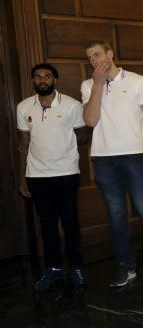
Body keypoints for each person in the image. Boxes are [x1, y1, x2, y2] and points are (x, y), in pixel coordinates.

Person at [82, 41, 143, 288]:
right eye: (90, 58)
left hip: (133, 155)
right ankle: (125, 265)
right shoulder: (88, 85)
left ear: (111, 54)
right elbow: (90, 121)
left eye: (98, 54)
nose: (95, 60)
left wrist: (141, 150)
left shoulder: (137, 81)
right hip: (103, 159)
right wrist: (98, 85)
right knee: (115, 213)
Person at [17, 63, 87, 291]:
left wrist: (60, 146)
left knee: (70, 223)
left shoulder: (72, 105)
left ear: (55, 80)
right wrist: (22, 176)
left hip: (66, 173)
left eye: (47, 76)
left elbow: (82, 136)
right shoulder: (24, 107)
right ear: (33, 81)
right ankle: (54, 269)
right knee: (47, 225)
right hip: (37, 176)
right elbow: (24, 144)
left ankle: (76, 268)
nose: (42, 80)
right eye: (37, 76)